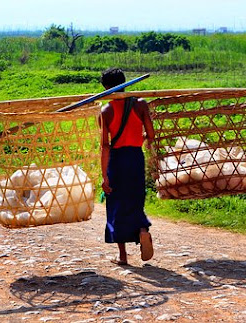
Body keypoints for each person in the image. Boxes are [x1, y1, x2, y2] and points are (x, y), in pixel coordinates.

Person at [98, 67, 155, 266]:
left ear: (106, 88)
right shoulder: (140, 104)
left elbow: (105, 145)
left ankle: (122, 255)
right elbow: (151, 134)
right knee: (135, 199)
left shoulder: (106, 111)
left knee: (116, 205)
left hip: (117, 159)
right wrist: (140, 138)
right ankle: (142, 230)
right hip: (136, 157)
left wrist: (105, 176)